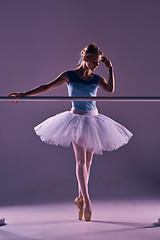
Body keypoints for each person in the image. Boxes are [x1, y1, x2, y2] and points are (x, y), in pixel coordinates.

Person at [9, 43, 133, 221]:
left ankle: (80, 198)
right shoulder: (69, 75)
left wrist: (110, 70)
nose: (96, 65)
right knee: (81, 160)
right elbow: (46, 87)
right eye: (94, 61)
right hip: (76, 120)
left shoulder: (97, 78)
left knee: (88, 162)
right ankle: (87, 199)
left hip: (94, 120)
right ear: (85, 58)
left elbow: (110, 89)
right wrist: (24, 94)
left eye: (98, 62)